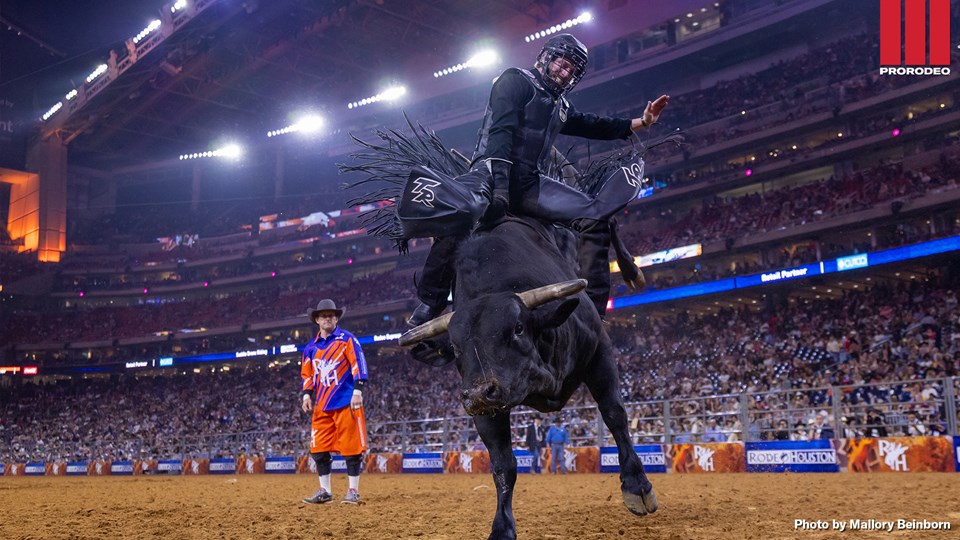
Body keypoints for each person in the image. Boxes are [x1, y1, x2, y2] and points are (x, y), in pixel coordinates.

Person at [407, 33, 670, 326]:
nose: (565, 72)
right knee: (459, 216)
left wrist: (643, 122)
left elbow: (593, 125)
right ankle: (431, 301)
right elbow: (501, 134)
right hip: (489, 172)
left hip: (531, 182)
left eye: (572, 70)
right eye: (562, 63)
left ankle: (593, 315)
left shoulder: (560, 105)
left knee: (596, 215)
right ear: (546, 57)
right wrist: (501, 190)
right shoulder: (513, 80)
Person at [300, 299, 369, 505]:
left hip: (346, 402)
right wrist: (306, 395)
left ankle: (353, 491)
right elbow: (307, 374)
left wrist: (358, 390)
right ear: (317, 320)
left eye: (331, 315)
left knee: (351, 448)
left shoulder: (347, 339)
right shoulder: (310, 347)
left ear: (336, 318)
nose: (327, 318)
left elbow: (358, 363)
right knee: (318, 449)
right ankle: (325, 491)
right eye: (323, 316)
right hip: (321, 405)